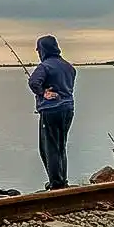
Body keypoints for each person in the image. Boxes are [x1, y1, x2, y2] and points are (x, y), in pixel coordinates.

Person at [28, 35, 76, 190]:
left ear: (43, 49)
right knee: (61, 145)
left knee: (49, 148)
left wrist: (42, 93)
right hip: (68, 109)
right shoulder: (69, 67)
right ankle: (63, 180)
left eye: (38, 49)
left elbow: (34, 82)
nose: (37, 52)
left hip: (51, 111)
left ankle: (56, 183)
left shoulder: (44, 66)